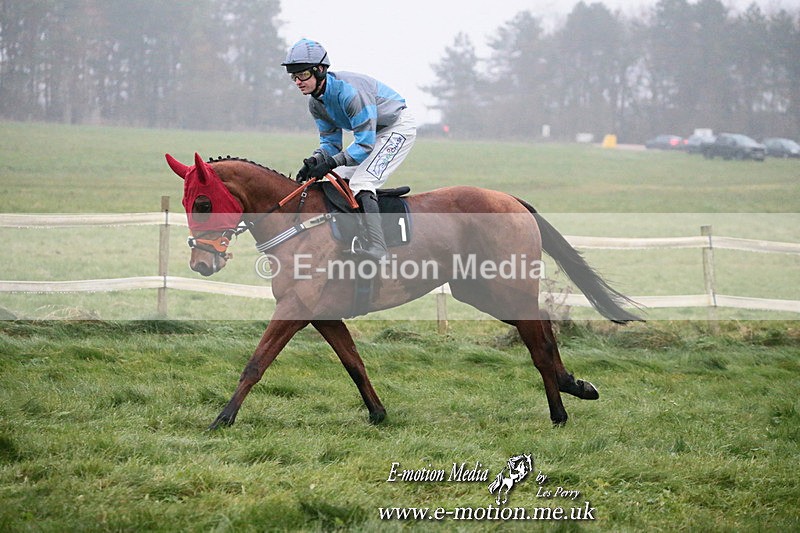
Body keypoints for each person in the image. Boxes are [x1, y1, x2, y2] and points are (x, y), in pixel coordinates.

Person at [282, 38, 416, 261]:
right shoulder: (316, 103)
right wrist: (316, 160)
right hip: (372, 133)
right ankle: (353, 236)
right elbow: (330, 143)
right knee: (334, 180)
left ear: (321, 70)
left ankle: (379, 247)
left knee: (362, 182)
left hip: (397, 128)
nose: (298, 81)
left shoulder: (349, 93)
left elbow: (364, 144)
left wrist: (332, 162)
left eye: (303, 74)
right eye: (294, 76)